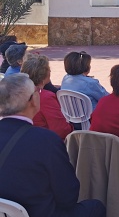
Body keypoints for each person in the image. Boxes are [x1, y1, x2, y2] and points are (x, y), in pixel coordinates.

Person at [0, 74, 106, 217]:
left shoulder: (43, 139)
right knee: (95, 207)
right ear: (33, 100)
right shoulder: (45, 140)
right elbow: (68, 197)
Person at [20, 53, 73, 140]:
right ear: (46, 74)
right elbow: (61, 130)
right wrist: (72, 127)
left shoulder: (17, 92)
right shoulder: (45, 97)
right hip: (41, 140)